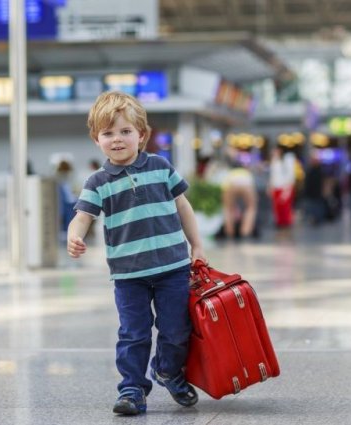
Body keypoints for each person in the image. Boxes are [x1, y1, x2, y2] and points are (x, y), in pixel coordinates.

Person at [66, 91, 207, 415]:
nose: (117, 139)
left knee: (176, 330)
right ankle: (132, 388)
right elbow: (83, 216)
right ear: (96, 139)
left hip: (172, 266)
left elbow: (182, 205)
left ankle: (168, 370)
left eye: (125, 131)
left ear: (142, 135)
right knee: (134, 333)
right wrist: (74, 236)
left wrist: (196, 245)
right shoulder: (98, 181)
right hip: (129, 275)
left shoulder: (160, 166)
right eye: (108, 133)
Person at [269, 146, 296, 227]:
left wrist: (287, 190)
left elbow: (289, 177)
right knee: (278, 208)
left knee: (285, 208)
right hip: (276, 188)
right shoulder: (274, 163)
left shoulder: (285, 162)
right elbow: (273, 177)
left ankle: (286, 223)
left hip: (284, 188)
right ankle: (280, 222)